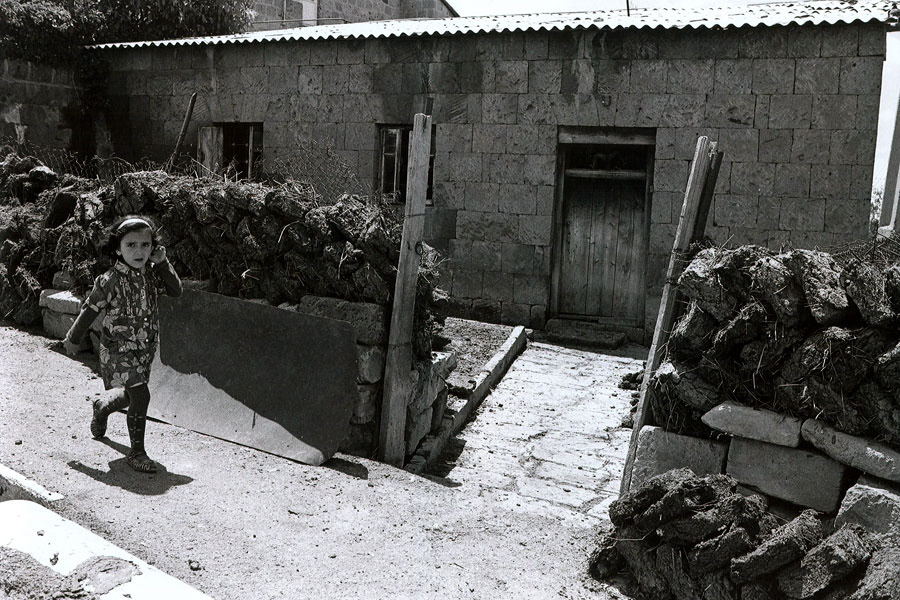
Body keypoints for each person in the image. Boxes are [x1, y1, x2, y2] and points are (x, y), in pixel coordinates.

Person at [64, 215, 182, 473]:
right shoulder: (109, 280)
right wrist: (74, 338)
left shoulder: (151, 274)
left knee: (131, 395)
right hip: (118, 349)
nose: (139, 251)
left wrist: (163, 264)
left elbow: (176, 291)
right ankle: (136, 453)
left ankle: (102, 408)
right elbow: (90, 310)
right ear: (118, 248)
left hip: (144, 347)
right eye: (131, 245)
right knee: (141, 394)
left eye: (145, 245)